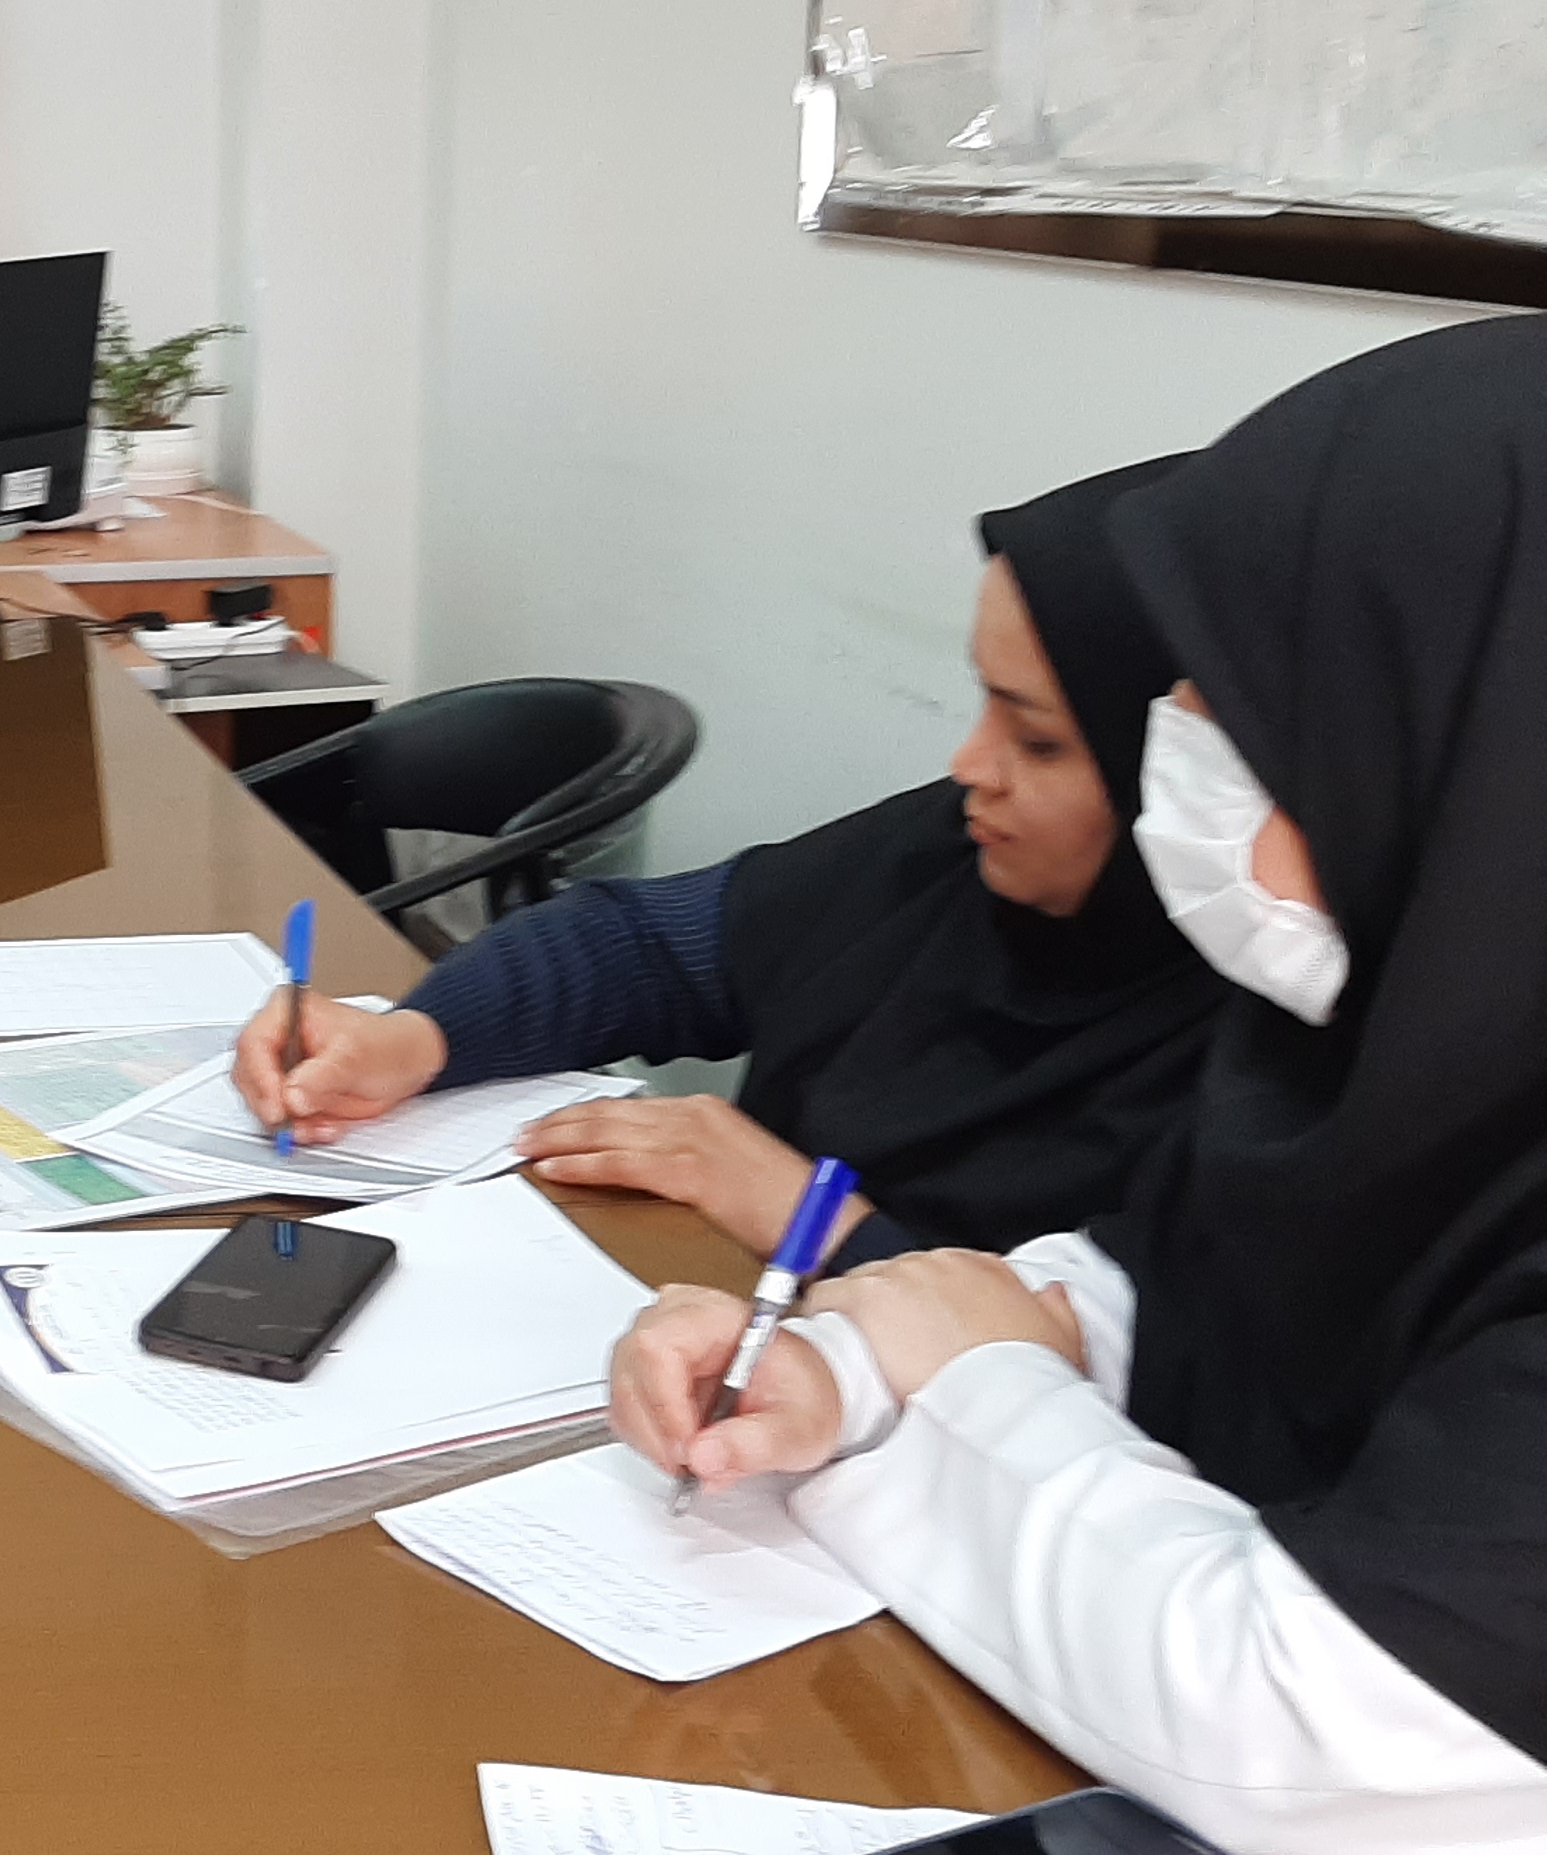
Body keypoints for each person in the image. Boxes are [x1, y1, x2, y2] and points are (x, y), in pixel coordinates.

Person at [611, 325, 1547, 1855]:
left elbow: (1267, 1713)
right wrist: (833, 1372)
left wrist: (954, 1392)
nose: (1173, 732)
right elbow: (1142, 1287)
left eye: (1243, 701)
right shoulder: (1384, 1039)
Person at [236, 459, 1219, 1262]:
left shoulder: (1259, 1074)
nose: (969, 765)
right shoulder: (951, 854)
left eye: (1038, 741)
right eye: (985, 703)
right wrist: (416, 1040)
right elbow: (645, 947)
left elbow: (1115, 1394)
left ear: (1188, 772)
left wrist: (805, 1216)